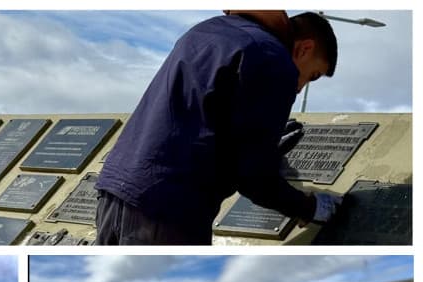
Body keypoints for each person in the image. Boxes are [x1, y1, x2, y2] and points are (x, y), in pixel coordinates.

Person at [95, 11, 343, 245]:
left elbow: (196, 119)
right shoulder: (273, 58)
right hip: (168, 213)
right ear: (305, 48)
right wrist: (309, 208)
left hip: (114, 194)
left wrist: (263, 144)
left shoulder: (207, 30)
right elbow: (254, 178)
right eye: (312, 75)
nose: (300, 88)